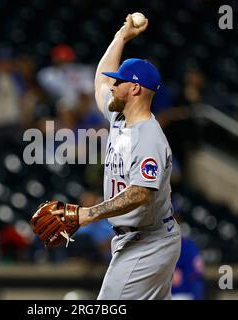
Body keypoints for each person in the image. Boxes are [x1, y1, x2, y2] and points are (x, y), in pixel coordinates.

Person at [53, 14, 181, 300]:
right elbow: (101, 76)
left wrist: (87, 214)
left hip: (148, 241)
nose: (112, 86)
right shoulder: (119, 117)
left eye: (119, 82)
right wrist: (121, 36)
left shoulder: (149, 137)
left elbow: (140, 194)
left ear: (134, 89)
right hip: (139, 238)